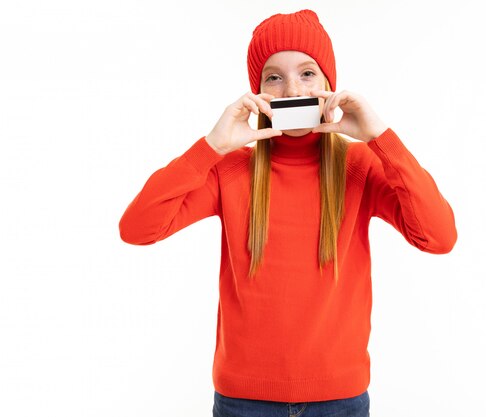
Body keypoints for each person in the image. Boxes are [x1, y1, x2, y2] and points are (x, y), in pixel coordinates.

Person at [119, 8, 457, 417]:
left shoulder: (362, 165)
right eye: (273, 77)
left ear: (329, 85)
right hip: (243, 402)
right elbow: (137, 228)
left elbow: (439, 237)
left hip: (339, 400)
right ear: (257, 93)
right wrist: (211, 146)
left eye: (307, 73)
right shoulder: (231, 169)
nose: (290, 87)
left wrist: (382, 138)